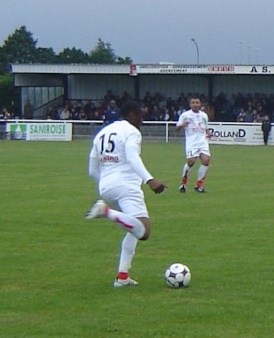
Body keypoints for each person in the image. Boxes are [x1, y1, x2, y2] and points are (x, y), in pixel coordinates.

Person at [84, 100, 167, 287]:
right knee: (143, 231)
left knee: (132, 228)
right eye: (140, 116)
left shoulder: (102, 133)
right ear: (131, 115)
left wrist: (106, 184)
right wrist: (150, 180)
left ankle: (122, 277)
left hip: (105, 187)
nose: (142, 120)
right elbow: (132, 157)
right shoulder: (131, 132)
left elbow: (92, 170)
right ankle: (106, 212)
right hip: (126, 186)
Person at [176, 97, 212, 193]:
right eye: (193, 103)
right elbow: (177, 129)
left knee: (206, 161)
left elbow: (205, 127)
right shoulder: (185, 115)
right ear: (190, 104)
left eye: (197, 102)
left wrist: (208, 132)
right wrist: (182, 125)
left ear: (200, 104)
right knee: (191, 162)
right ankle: (183, 182)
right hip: (191, 143)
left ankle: (199, 185)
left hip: (202, 142)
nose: (195, 104)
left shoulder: (204, 115)